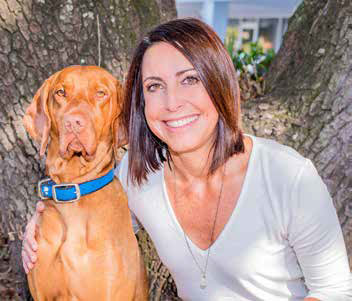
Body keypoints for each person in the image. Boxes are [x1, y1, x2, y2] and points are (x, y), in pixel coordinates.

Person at [22, 18, 351, 300]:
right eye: (154, 87)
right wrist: (38, 226)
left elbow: (337, 291)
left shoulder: (288, 177)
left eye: (189, 80)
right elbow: (86, 200)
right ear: (141, 104)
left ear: (220, 84)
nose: (172, 102)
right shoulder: (137, 180)